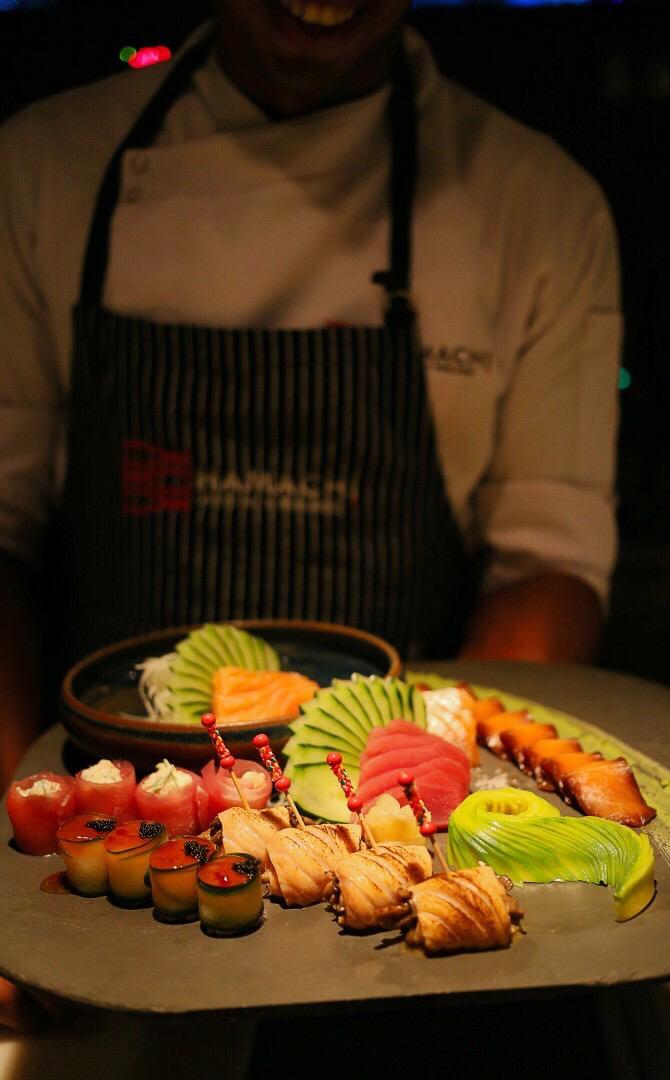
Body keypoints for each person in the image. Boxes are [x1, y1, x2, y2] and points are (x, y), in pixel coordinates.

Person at [0, 0, 620, 1032]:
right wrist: (20, 873)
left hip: (394, 887)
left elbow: (547, 561)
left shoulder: (536, 204)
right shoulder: (40, 170)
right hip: (109, 850)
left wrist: (442, 822)